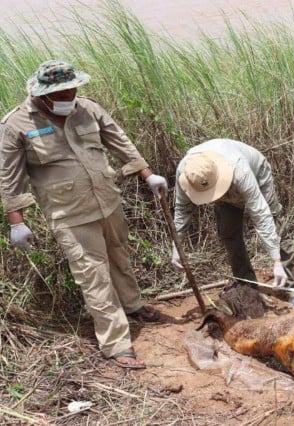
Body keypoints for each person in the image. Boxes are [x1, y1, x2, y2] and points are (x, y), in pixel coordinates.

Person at [0, 60, 168, 369]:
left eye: (73, 89)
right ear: (42, 95)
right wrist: (17, 222)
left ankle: (132, 306)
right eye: (63, 93)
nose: (70, 97)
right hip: (70, 212)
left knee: (119, 256)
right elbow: (10, 177)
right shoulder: (16, 125)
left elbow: (120, 141)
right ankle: (116, 342)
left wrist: (148, 174)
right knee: (94, 275)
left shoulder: (87, 108)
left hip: (107, 199)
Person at [170, 138, 294, 307]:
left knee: (275, 224)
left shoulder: (239, 169)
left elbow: (261, 214)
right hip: (223, 186)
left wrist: (276, 261)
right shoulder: (187, 173)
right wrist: (177, 246)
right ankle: (247, 286)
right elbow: (182, 211)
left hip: (256, 176)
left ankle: (292, 287)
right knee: (228, 233)